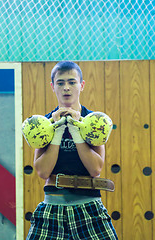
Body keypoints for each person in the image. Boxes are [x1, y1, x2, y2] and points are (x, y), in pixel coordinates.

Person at [26, 61, 118, 240]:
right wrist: (57, 131)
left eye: (72, 82)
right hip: (53, 204)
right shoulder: (43, 124)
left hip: (89, 205)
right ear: (53, 87)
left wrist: (76, 130)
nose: (66, 88)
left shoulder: (94, 122)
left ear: (81, 85)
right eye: (60, 83)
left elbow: (95, 169)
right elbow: (43, 171)